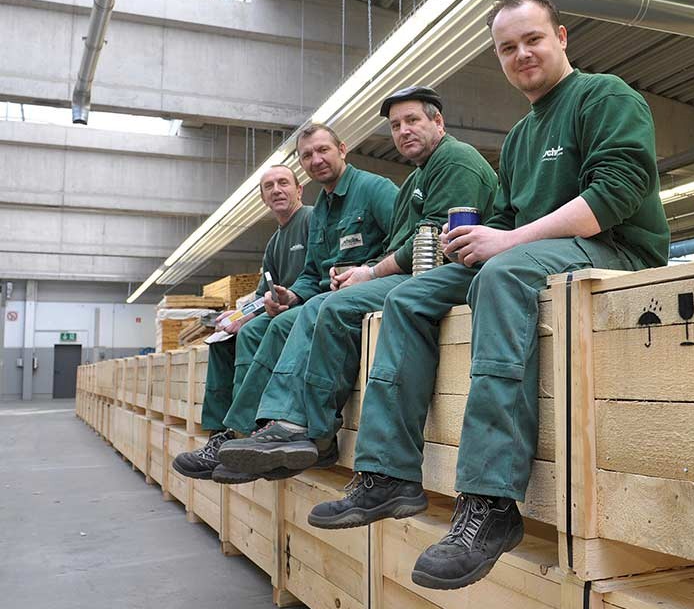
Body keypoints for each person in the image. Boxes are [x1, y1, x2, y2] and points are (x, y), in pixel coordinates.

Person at [308, 0, 670, 591]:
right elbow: (505, 217)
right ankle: (390, 474)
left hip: (616, 248)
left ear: (561, 38)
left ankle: (490, 501)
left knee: (503, 273)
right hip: (538, 252)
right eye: (507, 47)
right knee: (408, 296)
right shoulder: (524, 133)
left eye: (533, 39)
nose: (521, 54)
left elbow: (617, 193)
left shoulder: (603, 96)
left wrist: (508, 243)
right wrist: (476, 240)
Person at [216, 87, 498, 483]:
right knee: (299, 314)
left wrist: (369, 272)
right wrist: (319, 285)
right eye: (395, 126)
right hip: (400, 276)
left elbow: (431, 241)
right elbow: (389, 247)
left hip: (441, 275)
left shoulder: (451, 162)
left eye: (412, 120)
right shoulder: (415, 178)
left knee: (328, 308)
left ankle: (307, 431)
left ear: (438, 121)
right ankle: (262, 430)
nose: (403, 131)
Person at [173, 124, 397, 482]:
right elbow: (311, 273)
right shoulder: (320, 211)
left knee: (286, 323)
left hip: (360, 294)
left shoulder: (374, 189)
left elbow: (404, 242)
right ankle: (247, 437)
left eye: (323, 150)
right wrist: (291, 295)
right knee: (256, 330)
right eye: (307, 155)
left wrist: (369, 271)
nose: (316, 159)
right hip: (321, 298)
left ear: (342, 149)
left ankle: (259, 431)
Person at [171, 165, 311, 480]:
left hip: (303, 306)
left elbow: (315, 274)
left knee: (249, 333)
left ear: (299, 189)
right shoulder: (274, 242)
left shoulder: (311, 221)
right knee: (222, 342)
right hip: (276, 310)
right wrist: (234, 316)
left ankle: (244, 432)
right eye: (269, 186)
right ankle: (219, 433)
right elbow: (262, 293)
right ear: (263, 198)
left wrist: (252, 316)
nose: (277, 190)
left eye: (283, 183)